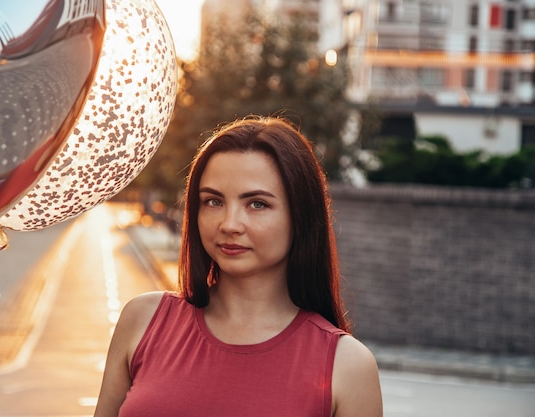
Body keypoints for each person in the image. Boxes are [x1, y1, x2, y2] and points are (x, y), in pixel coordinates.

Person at [94, 116, 383, 417]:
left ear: (302, 216)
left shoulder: (346, 366)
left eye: (257, 204)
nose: (229, 224)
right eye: (213, 201)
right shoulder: (143, 321)